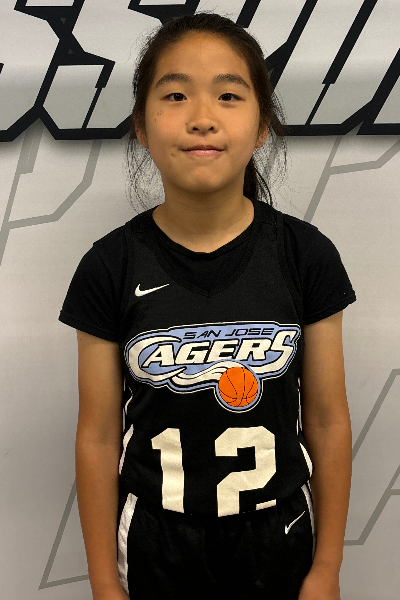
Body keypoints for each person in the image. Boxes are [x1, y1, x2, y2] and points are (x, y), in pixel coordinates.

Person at [59, 12, 355, 600]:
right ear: (141, 126)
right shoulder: (109, 266)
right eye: (175, 95)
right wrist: (103, 581)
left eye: (228, 95)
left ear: (262, 125)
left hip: (280, 538)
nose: (201, 117)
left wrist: (327, 568)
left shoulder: (306, 255)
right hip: (156, 544)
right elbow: (96, 435)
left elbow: (327, 420)